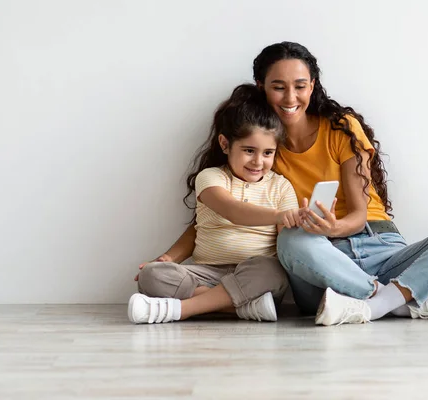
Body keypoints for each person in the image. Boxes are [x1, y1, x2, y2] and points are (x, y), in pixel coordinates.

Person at [136, 41, 428, 327]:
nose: (290, 98)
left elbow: (357, 213)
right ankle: (402, 300)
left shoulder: (341, 128)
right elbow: (216, 211)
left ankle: (379, 305)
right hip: (320, 261)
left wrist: (338, 225)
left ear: (313, 86)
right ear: (262, 88)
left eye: (300, 86)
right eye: (278, 87)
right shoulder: (259, 150)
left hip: (378, 243)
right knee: (293, 239)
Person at [128, 84, 304, 324]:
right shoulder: (211, 178)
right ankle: (242, 308)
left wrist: (296, 223)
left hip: (254, 273)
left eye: (267, 153)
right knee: (151, 275)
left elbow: (285, 242)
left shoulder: (281, 187)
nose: (258, 161)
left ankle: (180, 309)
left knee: (272, 270)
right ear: (224, 144)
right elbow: (232, 211)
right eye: (249, 150)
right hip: (207, 274)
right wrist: (168, 259)